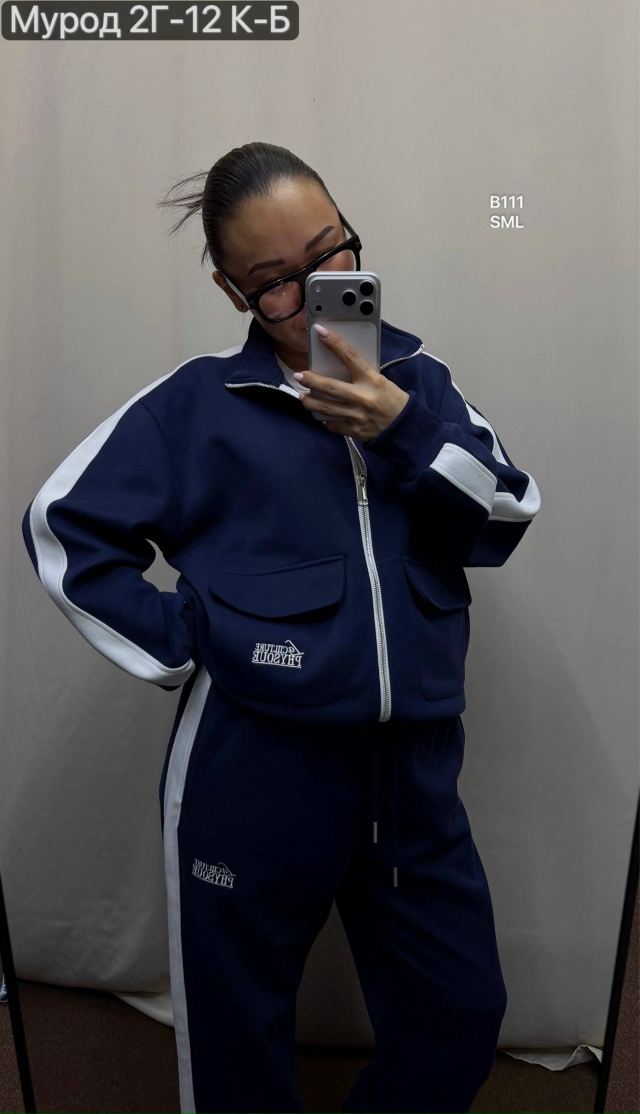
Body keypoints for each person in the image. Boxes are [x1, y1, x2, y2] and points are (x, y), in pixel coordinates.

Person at [22, 141, 541, 1114]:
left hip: (410, 773)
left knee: (457, 1011)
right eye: (275, 282)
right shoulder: (198, 405)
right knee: (237, 1032)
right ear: (233, 291)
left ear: (350, 233)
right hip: (252, 766)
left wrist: (400, 429)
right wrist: (187, 638)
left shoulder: (421, 381)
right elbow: (63, 526)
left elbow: (505, 518)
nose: (312, 294)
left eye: (330, 253)